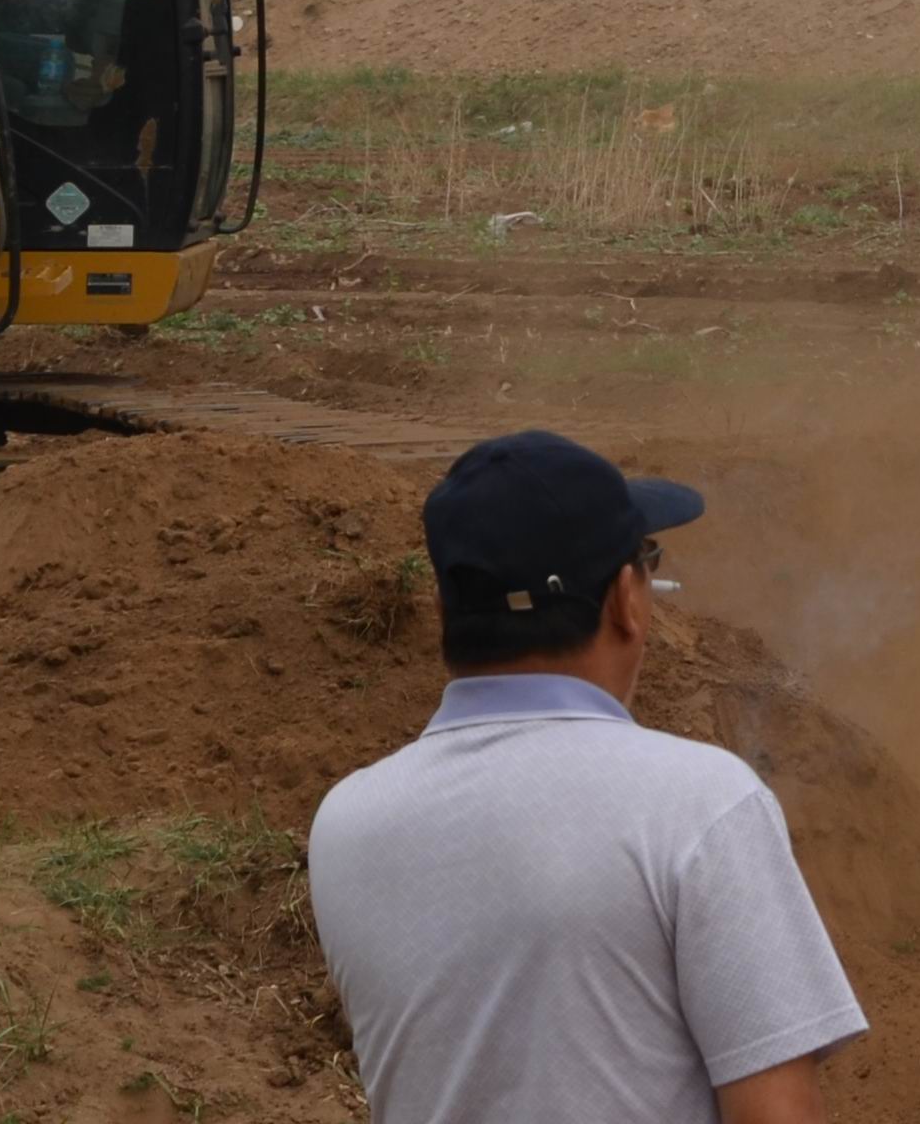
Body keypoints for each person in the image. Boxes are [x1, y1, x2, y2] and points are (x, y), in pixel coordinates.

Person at [308, 430, 867, 1124]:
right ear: (625, 602)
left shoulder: (345, 824)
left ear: (444, 613)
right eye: (646, 563)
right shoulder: (700, 805)